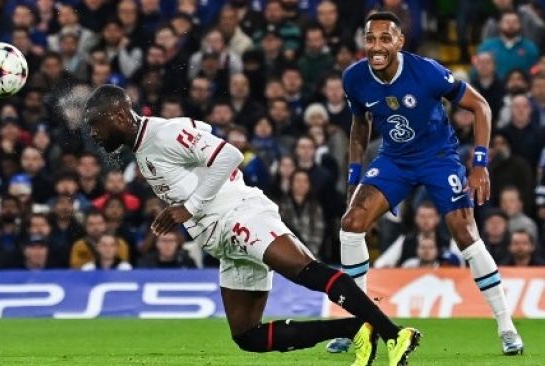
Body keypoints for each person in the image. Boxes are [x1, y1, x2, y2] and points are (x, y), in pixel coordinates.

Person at [84, 84, 421, 366]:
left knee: (307, 271)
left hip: (240, 215)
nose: (96, 136)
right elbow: (200, 138)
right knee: (248, 336)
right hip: (224, 242)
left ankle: (395, 334)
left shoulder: (163, 133)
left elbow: (229, 155)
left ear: (117, 115)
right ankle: (355, 329)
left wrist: (189, 207)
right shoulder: (145, 147)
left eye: (97, 126)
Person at [340, 11, 522, 355]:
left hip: (437, 158)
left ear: (399, 41)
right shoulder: (355, 78)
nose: (376, 47)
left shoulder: (426, 72)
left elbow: (480, 106)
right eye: (370, 39)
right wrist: (353, 175)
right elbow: (359, 125)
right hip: (394, 160)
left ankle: (506, 326)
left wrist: (479, 162)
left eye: (384, 38)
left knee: (466, 234)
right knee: (351, 224)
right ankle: (359, 324)